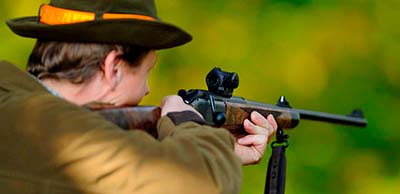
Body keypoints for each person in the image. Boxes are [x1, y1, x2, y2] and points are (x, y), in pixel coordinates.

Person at [0, 0, 277, 194]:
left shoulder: (20, 110)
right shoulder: (51, 130)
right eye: (146, 72)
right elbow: (205, 185)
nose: (146, 90)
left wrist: (220, 149)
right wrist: (186, 123)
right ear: (114, 68)